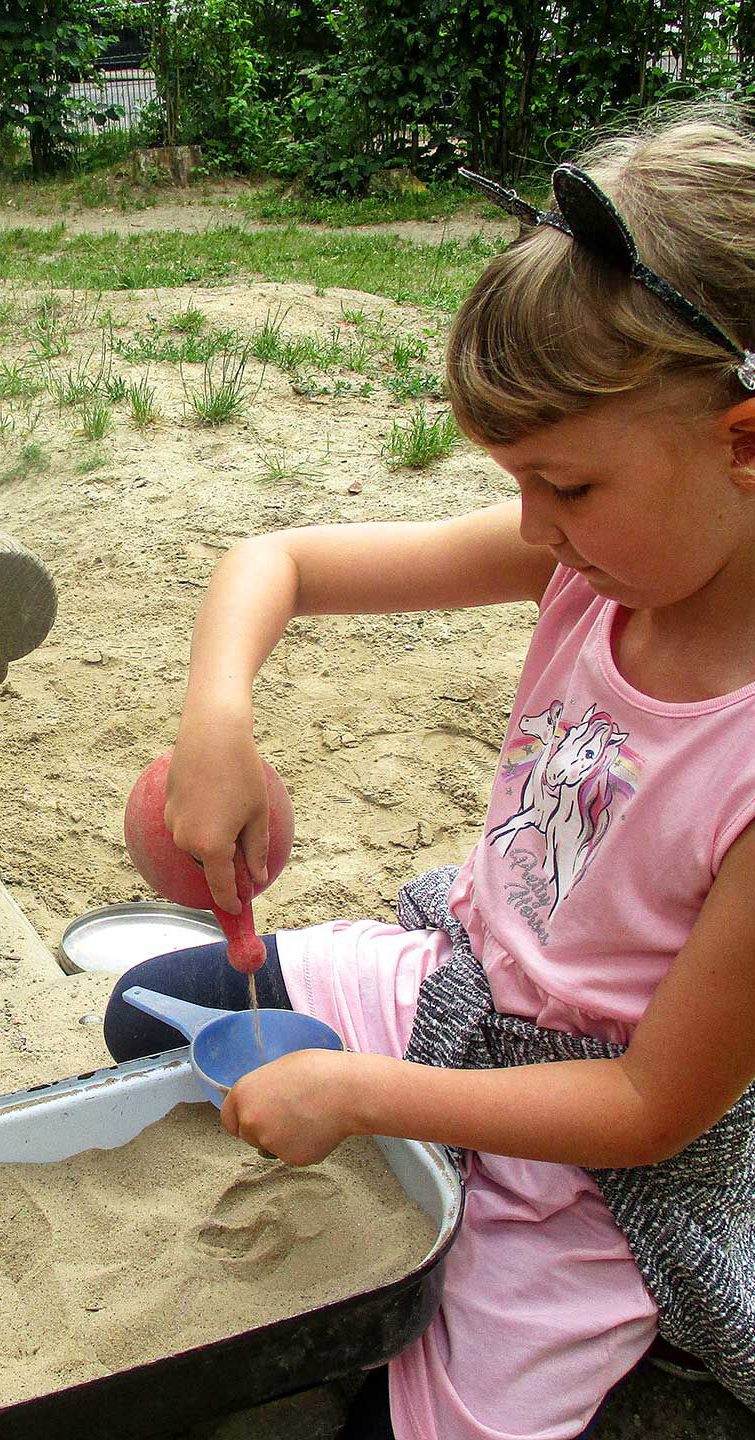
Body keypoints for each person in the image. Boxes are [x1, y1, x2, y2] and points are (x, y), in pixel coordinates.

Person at [105, 109, 755, 1440]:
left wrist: (357, 1095)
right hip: (463, 979)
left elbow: (648, 1107)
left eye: (563, 484)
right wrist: (218, 718)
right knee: (148, 1017)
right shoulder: (591, 560)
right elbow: (275, 562)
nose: (531, 530)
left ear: (743, 442)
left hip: (594, 1149)